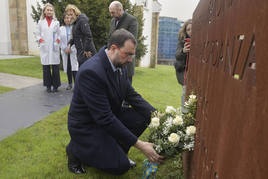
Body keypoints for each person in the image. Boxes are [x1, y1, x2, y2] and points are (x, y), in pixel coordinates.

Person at [66, 29, 164, 175]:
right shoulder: (91, 72)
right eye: (128, 54)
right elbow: (105, 118)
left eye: (132, 55)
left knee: (144, 117)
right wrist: (141, 145)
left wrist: (158, 116)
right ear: (113, 49)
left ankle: (117, 151)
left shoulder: (119, 64)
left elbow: (132, 96)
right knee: (120, 167)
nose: (131, 59)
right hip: (87, 127)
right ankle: (75, 149)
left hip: (107, 117)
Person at [108, 1, 138, 84]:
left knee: (125, 92)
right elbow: (110, 39)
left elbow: (132, 42)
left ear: (120, 10)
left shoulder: (131, 20)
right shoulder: (112, 21)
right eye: (110, 12)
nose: (111, 15)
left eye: (113, 12)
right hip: (113, 62)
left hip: (125, 62)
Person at [35, 3, 61, 93]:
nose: (49, 11)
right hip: (45, 47)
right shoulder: (40, 22)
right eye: (48, 10)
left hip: (54, 47)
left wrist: (57, 41)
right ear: (44, 11)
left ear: (53, 12)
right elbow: (37, 34)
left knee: (55, 67)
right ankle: (48, 86)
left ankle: (56, 86)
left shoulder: (56, 22)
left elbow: (59, 34)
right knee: (46, 68)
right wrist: (41, 40)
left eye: (51, 10)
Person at [174, 19, 192, 113]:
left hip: (192, 71)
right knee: (185, 90)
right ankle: (184, 112)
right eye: (188, 29)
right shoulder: (182, 41)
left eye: (192, 29)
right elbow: (177, 55)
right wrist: (183, 51)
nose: (191, 31)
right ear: (185, 31)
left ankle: (189, 112)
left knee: (192, 93)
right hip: (182, 69)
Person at [59, 13, 78, 90]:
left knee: (75, 68)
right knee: (68, 67)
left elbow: (76, 39)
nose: (68, 19)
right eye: (66, 18)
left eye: (69, 18)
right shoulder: (60, 29)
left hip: (73, 50)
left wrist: (70, 47)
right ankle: (70, 84)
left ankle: (76, 85)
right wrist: (64, 48)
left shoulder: (74, 27)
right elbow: (58, 40)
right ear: (64, 19)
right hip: (65, 51)